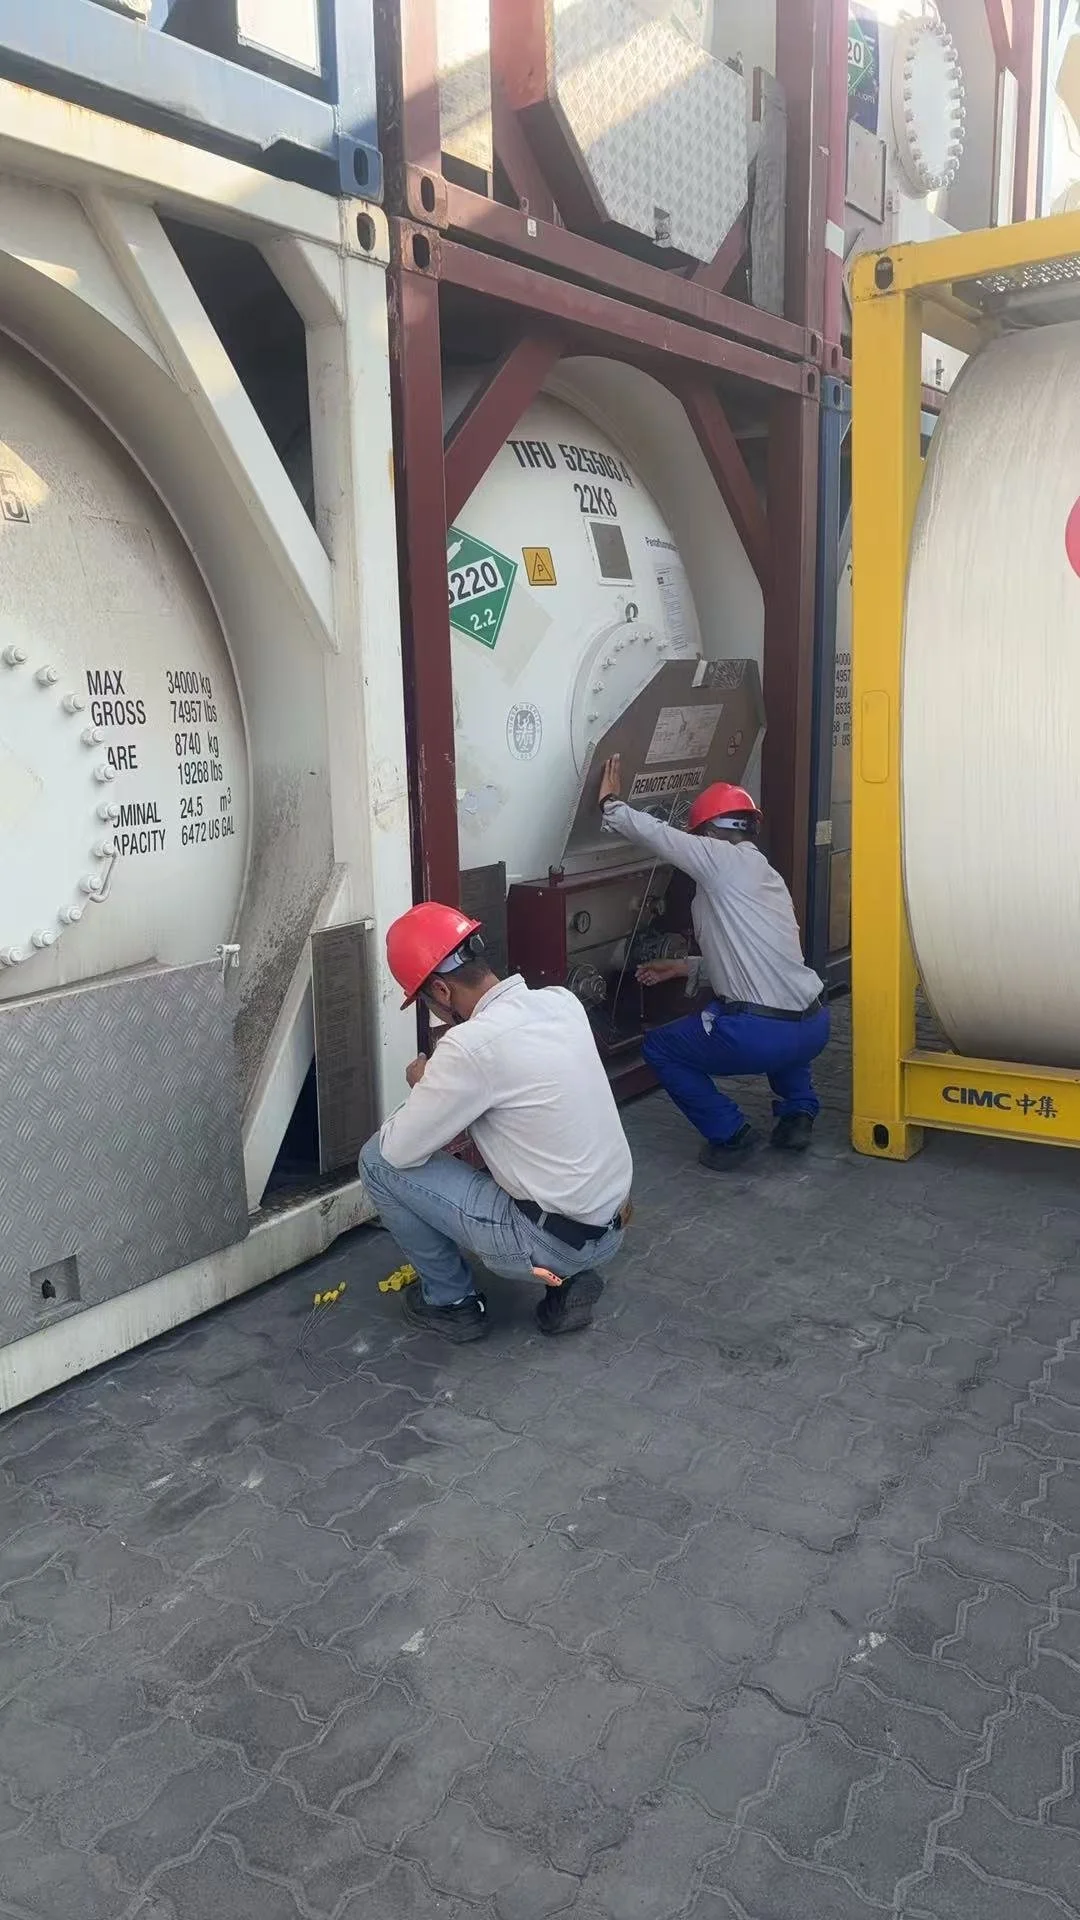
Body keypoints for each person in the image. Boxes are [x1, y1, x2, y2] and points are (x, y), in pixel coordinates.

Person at [359, 902, 633, 1343]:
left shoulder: (468, 1047)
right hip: (611, 1225)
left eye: (427, 1001)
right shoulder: (559, 1001)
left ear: (443, 994)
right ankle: (569, 1278)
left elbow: (398, 1152)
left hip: (548, 1242)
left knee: (375, 1160)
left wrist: (426, 1085)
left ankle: (452, 1303)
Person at [598, 754, 829, 1169]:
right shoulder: (766, 876)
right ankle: (798, 1112)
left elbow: (661, 837)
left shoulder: (718, 858)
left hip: (759, 1035)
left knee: (660, 1048)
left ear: (707, 831)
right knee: (786, 1020)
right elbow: (759, 961)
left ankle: (730, 1134)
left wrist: (611, 806)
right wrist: (686, 966)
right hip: (812, 1025)